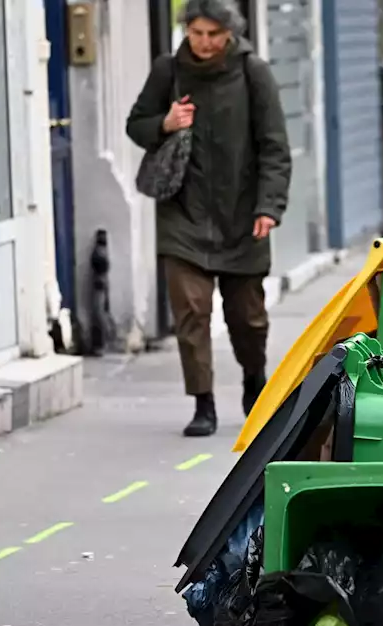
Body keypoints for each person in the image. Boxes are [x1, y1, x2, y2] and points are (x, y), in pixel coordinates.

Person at [126, 0, 292, 437]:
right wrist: (165, 122)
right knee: (191, 314)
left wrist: (269, 207)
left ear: (229, 34)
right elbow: (136, 124)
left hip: (243, 215)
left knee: (248, 319)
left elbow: (275, 146)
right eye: (196, 33)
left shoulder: (253, 72)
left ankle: (254, 379)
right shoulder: (169, 70)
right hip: (184, 215)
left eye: (213, 34)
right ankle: (203, 403)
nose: (203, 42)